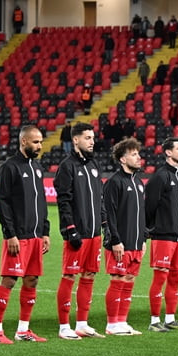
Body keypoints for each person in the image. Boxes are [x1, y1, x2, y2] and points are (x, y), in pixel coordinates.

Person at [0, 125, 51, 344]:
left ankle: (23, 330)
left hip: (35, 235)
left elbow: (41, 201)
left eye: (41, 142)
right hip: (18, 236)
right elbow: (2, 203)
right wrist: (10, 234)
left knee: (32, 280)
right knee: (9, 279)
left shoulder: (37, 167)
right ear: (24, 141)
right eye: (35, 142)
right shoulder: (10, 167)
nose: (40, 146)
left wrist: (45, 231)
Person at [53, 122, 105, 340]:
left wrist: (104, 225)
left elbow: (99, 199)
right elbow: (63, 200)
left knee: (89, 275)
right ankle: (64, 326)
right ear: (76, 140)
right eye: (87, 138)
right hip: (77, 233)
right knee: (69, 275)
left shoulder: (93, 166)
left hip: (94, 233)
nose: (92, 141)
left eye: (93, 138)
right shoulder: (67, 166)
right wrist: (70, 228)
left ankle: (82, 323)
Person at [98, 138, 146, 336]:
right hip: (120, 242)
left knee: (129, 280)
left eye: (138, 154)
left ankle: (122, 322)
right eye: (134, 154)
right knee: (118, 279)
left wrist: (143, 239)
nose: (139, 158)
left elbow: (141, 213)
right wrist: (115, 240)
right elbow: (108, 214)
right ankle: (111, 324)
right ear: (122, 159)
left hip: (136, 242)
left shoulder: (139, 183)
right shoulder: (114, 183)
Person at [145, 137, 178, 332]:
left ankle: (170, 318)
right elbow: (149, 207)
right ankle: (154, 321)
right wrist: (151, 229)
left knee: (175, 278)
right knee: (160, 278)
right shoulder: (160, 176)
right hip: (163, 236)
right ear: (168, 152)